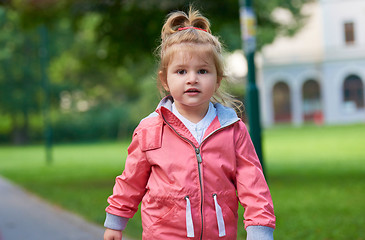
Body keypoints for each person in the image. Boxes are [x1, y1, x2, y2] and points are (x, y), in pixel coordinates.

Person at [103, 7, 275, 240]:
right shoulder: (150, 130)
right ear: (165, 80)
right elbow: (130, 181)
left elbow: (253, 184)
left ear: (217, 80)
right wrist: (115, 222)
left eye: (203, 71)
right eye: (181, 71)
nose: (192, 78)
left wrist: (260, 230)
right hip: (163, 235)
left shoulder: (233, 129)